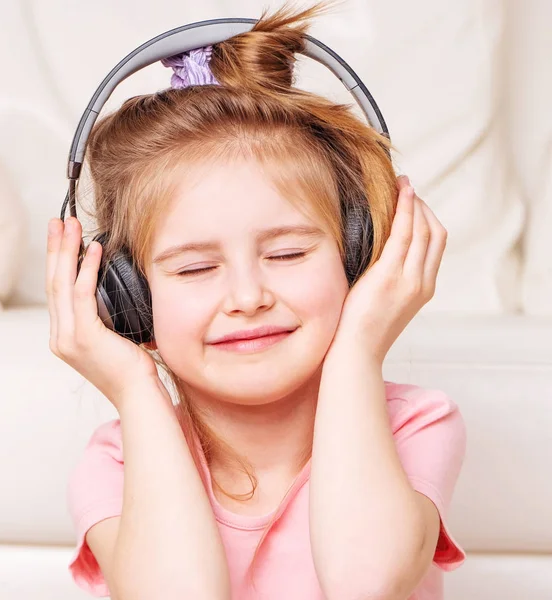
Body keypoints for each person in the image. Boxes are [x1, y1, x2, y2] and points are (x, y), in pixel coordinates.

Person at [46, 2, 466, 598]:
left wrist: (358, 348)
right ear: (127, 293)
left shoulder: (415, 426)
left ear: (360, 255)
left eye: (288, 255)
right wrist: (135, 388)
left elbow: (367, 585)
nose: (247, 297)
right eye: (194, 267)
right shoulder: (119, 461)